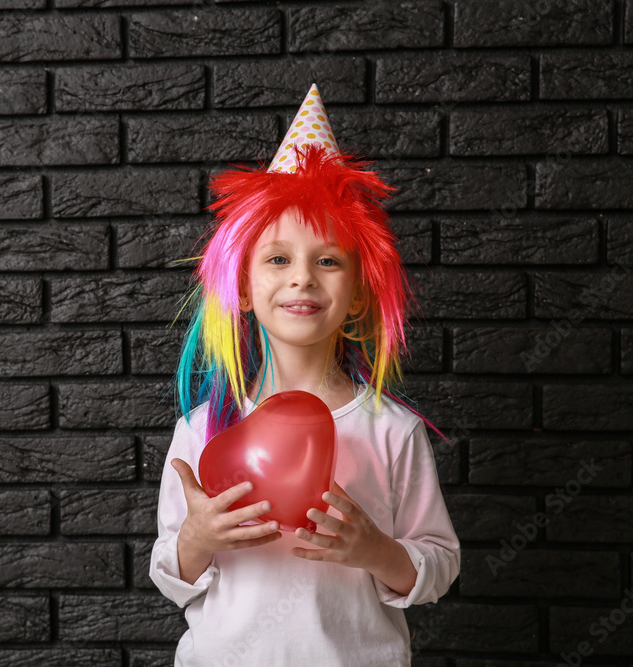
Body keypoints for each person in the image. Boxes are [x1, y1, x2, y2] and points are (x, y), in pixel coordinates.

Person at [149, 83, 461, 666]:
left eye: (327, 260)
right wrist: (198, 539)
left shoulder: (391, 430)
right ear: (241, 287)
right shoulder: (201, 430)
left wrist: (376, 550)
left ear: (360, 296)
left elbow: (439, 562)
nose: (302, 278)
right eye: (277, 259)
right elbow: (170, 572)